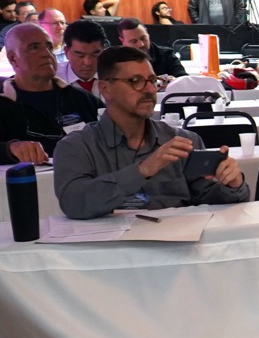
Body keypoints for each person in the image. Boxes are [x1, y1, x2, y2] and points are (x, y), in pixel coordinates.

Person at [53, 46, 248, 219]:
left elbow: (209, 202)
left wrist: (232, 185)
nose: (149, 90)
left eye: (152, 80)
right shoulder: (77, 146)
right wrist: (142, 170)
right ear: (106, 89)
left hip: (179, 242)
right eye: (135, 81)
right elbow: (73, 203)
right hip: (110, 247)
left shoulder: (183, 141)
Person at [0, 23, 103, 164]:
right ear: (13, 58)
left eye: (49, 47)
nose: (46, 54)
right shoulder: (4, 103)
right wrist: (9, 149)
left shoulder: (83, 100)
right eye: (34, 47)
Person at [117, 17, 188, 80]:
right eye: (134, 41)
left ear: (147, 32)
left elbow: (184, 80)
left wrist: (172, 81)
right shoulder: (116, 61)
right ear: (122, 41)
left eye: (143, 38)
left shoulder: (166, 55)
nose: (141, 44)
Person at [56, 19, 108, 98]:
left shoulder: (116, 76)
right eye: (80, 55)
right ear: (66, 52)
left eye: (95, 54)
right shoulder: (52, 79)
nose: (88, 63)